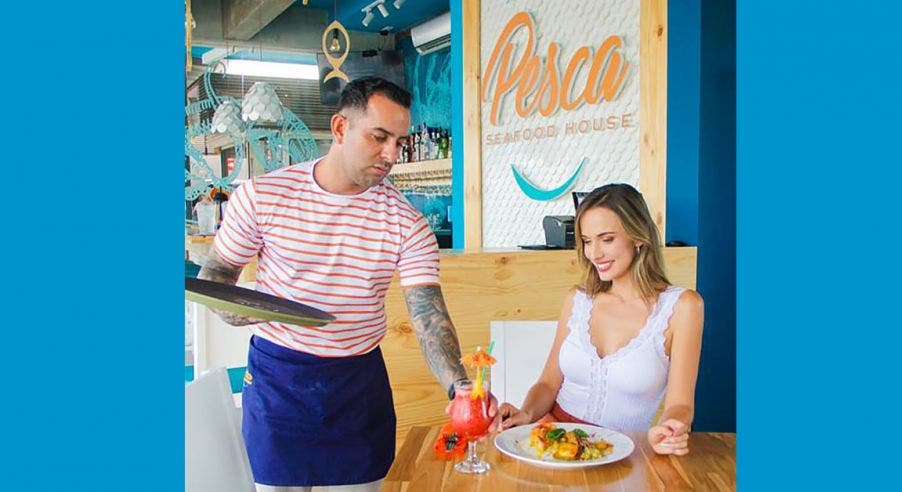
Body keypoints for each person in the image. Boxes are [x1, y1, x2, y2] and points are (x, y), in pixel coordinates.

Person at [197, 77, 493, 491]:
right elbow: (215, 277)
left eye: (399, 141)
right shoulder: (263, 196)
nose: (391, 154)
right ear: (340, 128)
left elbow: (428, 317)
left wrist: (460, 387)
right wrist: (249, 310)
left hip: (357, 388)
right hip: (279, 380)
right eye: (379, 137)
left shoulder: (407, 223)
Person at [490, 183, 705, 456]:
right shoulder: (578, 300)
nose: (594, 253)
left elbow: (681, 404)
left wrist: (672, 427)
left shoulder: (683, 307)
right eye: (588, 241)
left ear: (638, 236)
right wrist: (526, 413)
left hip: (623, 454)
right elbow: (548, 383)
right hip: (551, 442)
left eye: (607, 239)